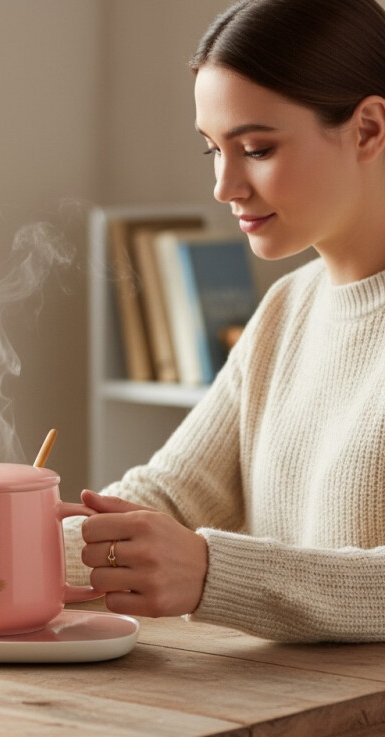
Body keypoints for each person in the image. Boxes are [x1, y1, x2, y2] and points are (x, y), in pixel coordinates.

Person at [66, 0, 385, 642]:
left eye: (257, 148)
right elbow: (172, 493)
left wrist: (212, 572)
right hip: (276, 716)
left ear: (370, 128)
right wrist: (16, 549)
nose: (225, 185)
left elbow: (195, 553)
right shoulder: (286, 309)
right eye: (214, 150)